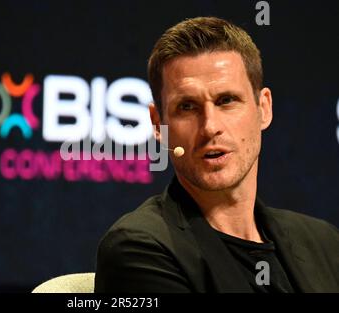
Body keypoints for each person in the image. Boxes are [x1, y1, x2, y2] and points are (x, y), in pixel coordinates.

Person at [95, 17, 339, 293]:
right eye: (187, 106)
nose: (210, 127)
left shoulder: (325, 243)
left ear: (264, 108)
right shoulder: (138, 249)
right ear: (157, 123)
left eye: (226, 101)